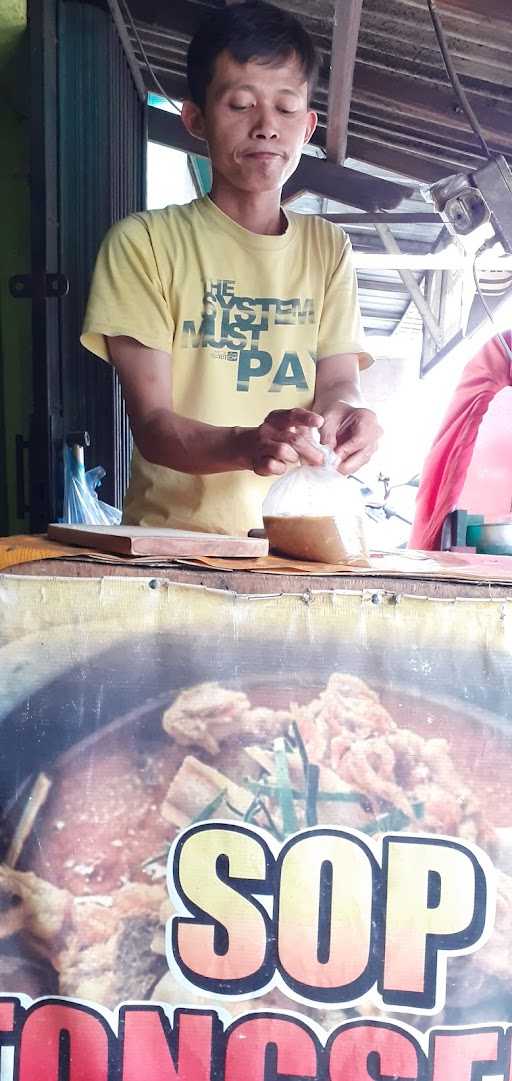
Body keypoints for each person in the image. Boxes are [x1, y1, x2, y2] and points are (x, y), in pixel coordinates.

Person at [81, 0, 381, 536]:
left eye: (287, 109)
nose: (266, 127)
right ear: (195, 119)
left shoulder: (328, 247)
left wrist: (350, 414)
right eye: (240, 104)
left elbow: (338, 380)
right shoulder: (145, 244)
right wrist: (246, 444)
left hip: (298, 540)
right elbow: (153, 426)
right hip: (170, 546)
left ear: (308, 127)